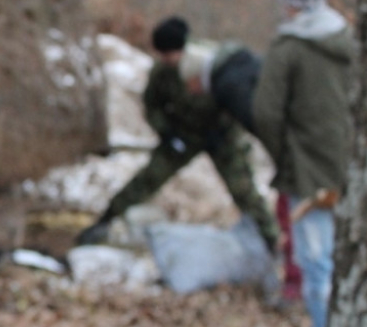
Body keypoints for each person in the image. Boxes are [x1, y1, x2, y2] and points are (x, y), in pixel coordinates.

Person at [77, 16, 279, 254]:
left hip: (223, 138)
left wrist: (228, 130)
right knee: (147, 180)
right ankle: (105, 221)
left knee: (243, 189)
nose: (167, 59)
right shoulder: (162, 73)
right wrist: (168, 133)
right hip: (182, 137)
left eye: (170, 54)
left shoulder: (209, 61)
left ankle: (271, 240)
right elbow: (151, 106)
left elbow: (236, 99)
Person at [251, 0, 354, 327]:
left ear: (293, 4)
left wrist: (284, 155)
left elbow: (265, 112)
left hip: (309, 173)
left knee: (317, 263)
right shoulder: (350, 41)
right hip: (355, 169)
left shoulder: (288, 48)